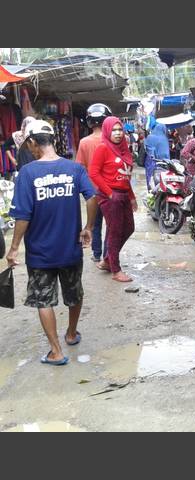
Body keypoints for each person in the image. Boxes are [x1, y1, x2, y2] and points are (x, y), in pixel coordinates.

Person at [6, 120, 97, 366]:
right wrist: (88, 228)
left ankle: (56, 351)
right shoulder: (74, 169)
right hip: (70, 249)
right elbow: (92, 197)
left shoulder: (27, 173)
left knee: (44, 300)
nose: (30, 150)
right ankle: (71, 333)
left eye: (29, 145)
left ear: (33, 142)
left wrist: (14, 248)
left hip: (40, 253)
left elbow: (23, 215)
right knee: (74, 293)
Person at [89, 117, 137, 283]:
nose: (117, 133)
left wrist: (132, 197)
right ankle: (115, 269)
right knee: (115, 231)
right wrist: (110, 193)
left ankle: (108, 259)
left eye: (120, 130)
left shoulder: (125, 149)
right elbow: (93, 172)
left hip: (123, 194)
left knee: (129, 228)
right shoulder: (102, 148)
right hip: (109, 196)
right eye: (114, 130)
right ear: (107, 131)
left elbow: (126, 176)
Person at [76, 103, 112, 264]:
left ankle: (97, 254)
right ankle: (108, 256)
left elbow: (80, 168)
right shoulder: (113, 141)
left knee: (95, 225)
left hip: (92, 192)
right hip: (111, 191)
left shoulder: (84, 142)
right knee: (111, 226)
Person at [144, 123, 170, 191]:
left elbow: (149, 151)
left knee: (151, 180)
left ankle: (151, 193)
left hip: (152, 162)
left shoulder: (150, 137)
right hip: (165, 163)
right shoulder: (165, 138)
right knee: (162, 181)